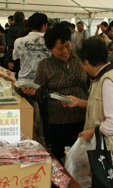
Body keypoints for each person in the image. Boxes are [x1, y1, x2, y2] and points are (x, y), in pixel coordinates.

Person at [62, 36, 113, 188]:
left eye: (81, 63)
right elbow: (103, 107)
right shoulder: (108, 73)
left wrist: (93, 131)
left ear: (87, 61)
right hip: (104, 148)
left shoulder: (107, 82)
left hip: (107, 151)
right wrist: (79, 102)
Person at [22, 23, 88, 161]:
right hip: (59, 121)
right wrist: (33, 93)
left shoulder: (81, 58)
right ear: (51, 49)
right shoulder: (45, 65)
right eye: (59, 48)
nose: (65, 51)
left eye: (67, 45)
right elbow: (39, 92)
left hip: (83, 117)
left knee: (83, 156)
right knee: (61, 156)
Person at [14, 12, 51, 147]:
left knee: (24, 115)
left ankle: (23, 142)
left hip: (24, 82)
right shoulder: (49, 40)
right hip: (44, 83)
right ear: (44, 25)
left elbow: (17, 58)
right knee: (46, 116)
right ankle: (48, 143)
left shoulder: (20, 41)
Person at [5, 11, 25, 77]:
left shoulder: (12, 30)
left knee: (15, 77)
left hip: (15, 58)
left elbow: (10, 46)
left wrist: (10, 60)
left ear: (13, 20)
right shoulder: (28, 29)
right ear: (23, 19)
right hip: (26, 58)